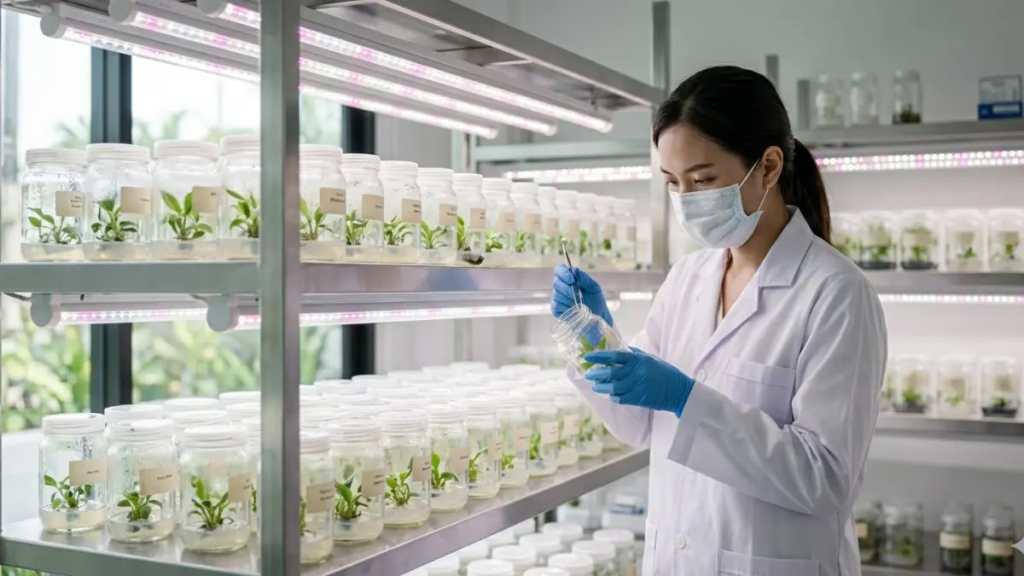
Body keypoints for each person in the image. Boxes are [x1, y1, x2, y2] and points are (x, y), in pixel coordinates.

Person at [551, 66, 887, 576]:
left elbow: (824, 478)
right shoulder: (688, 278)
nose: (687, 200)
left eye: (703, 179)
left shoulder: (836, 293)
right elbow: (639, 425)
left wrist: (688, 399)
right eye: (673, 183)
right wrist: (594, 335)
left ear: (769, 167)